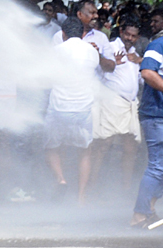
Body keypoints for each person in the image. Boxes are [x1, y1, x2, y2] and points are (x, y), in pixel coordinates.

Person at [44, 17, 99, 204]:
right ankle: (81, 196)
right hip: (82, 109)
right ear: (83, 33)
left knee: (51, 147)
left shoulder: (56, 51)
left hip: (59, 107)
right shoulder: (92, 52)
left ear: (63, 34)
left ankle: (61, 179)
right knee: (85, 151)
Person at [90, 16, 142, 194]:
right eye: (127, 34)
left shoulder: (135, 54)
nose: (129, 38)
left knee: (130, 147)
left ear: (137, 37)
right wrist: (113, 64)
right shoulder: (111, 48)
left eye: (133, 36)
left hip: (130, 104)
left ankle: (125, 189)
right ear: (121, 32)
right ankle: (92, 187)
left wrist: (140, 61)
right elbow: (98, 71)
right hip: (111, 100)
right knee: (103, 145)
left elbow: (141, 79)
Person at [131, 15, 163, 228]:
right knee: (157, 166)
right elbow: (147, 72)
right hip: (156, 115)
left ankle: (148, 210)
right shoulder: (158, 44)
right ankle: (139, 216)